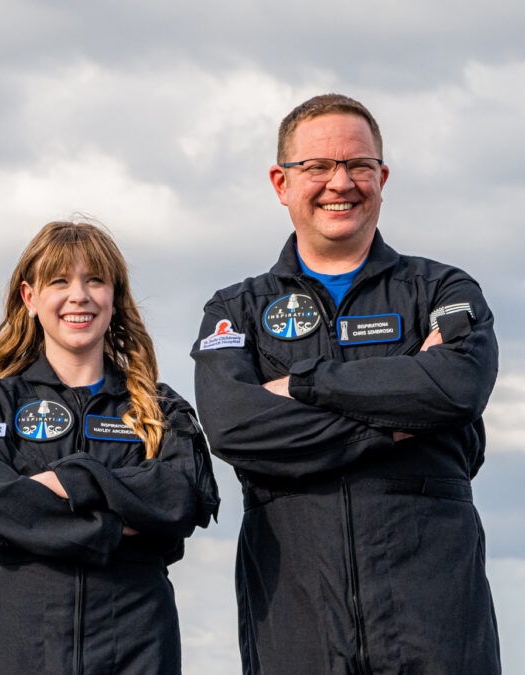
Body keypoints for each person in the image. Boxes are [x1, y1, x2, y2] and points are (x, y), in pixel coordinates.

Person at [192, 94, 500, 673]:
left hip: (434, 612)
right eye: (318, 167)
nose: (342, 182)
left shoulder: (443, 290)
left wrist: (304, 384)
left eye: (359, 165)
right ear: (281, 182)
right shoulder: (237, 309)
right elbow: (235, 425)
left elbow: (456, 388)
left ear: (382, 178)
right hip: (294, 607)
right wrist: (398, 422)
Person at [0, 221, 218, 674]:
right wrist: (114, 527)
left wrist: (68, 480)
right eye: (59, 281)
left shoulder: (160, 407)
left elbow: (177, 498)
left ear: (115, 296)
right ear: (29, 298)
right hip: (19, 637)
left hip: (135, 637)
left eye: (94, 279)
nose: (79, 295)